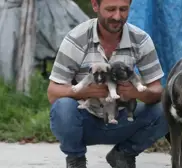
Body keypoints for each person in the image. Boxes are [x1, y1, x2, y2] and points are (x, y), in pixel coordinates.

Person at [46, 0, 168, 167]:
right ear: (95, 5)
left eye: (123, 9)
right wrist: (88, 92)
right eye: (111, 9)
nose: (117, 16)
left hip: (123, 118)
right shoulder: (76, 38)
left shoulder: (140, 39)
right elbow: (53, 92)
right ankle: (76, 159)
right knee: (63, 107)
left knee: (168, 108)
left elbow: (157, 89)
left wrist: (137, 93)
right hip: (85, 120)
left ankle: (123, 155)